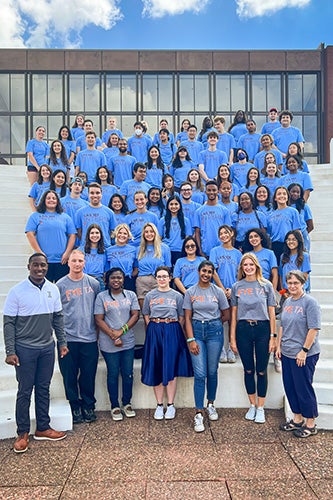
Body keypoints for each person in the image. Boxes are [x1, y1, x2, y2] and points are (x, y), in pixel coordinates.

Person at [3, 253, 68, 453]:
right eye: (36, 265)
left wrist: (62, 342)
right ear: (28, 266)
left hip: (47, 348)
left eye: (43, 265)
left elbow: (58, 318)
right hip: (25, 349)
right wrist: (10, 350)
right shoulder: (17, 291)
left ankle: (42, 427)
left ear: (47, 267)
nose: (39, 268)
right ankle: (22, 432)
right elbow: (9, 323)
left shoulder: (52, 289)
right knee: (25, 391)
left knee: (43, 388)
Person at [229, 253, 277, 424]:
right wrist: (232, 338)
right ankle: (252, 404)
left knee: (261, 370)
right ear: (241, 268)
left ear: (256, 266)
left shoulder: (266, 285)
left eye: (251, 265)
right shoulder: (236, 287)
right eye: (245, 265)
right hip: (243, 329)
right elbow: (233, 314)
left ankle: (261, 407)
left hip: (263, 328)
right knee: (248, 369)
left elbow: (272, 313)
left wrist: (273, 337)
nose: (248, 268)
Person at [141, 266, 193, 420]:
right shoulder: (150, 295)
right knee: (156, 366)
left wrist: (173, 327)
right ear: (156, 278)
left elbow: (181, 316)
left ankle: (170, 404)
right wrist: (152, 327)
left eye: (164, 276)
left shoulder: (177, 296)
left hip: (172, 329)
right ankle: (159, 405)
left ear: (170, 278)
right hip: (155, 330)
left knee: (170, 367)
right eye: (159, 276)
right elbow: (145, 314)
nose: (162, 279)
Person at [184, 260, 230, 432]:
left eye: (210, 272)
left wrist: (216, 325)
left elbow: (226, 313)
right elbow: (187, 318)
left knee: (212, 371)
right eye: (204, 271)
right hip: (196, 330)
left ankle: (210, 403)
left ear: (213, 274)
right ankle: (198, 412)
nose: (206, 274)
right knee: (200, 373)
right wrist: (191, 339)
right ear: (198, 271)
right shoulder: (190, 292)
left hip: (214, 331)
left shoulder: (217, 291)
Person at [56, 250, 100, 424]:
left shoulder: (94, 284)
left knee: (88, 375)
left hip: (89, 338)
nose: (77, 264)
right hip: (68, 339)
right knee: (69, 375)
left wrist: (96, 334)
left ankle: (88, 405)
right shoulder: (60, 285)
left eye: (80, 260)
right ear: (68, 263)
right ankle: (75, 406)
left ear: (84, 262)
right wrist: (60, 339)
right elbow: (56, 314)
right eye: (74, 260)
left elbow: (99, 311)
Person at [277, 270, 321, 438]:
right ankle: (297, 419)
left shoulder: (310, 302)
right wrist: (279, 346)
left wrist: (304, 351)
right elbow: (282, 325)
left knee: (303, 388)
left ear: (303, 283)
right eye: (290, 283)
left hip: (303, 354)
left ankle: (310, 423)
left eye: (296, 283)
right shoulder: (288, 301)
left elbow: (313, 328)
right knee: (290, 386)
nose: (293, 286)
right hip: (287, 352)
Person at [95, 268, 140, 421]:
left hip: (127, 341)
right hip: (108, 342)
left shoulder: (131, 295)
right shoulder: (101, 297)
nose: (116, 280)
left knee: (128, 374)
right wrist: (113, 335)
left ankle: (127, 403)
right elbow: (99, 319)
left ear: (123, 279)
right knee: (113, 373)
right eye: (113, 278)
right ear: (107, 280)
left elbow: (135, 315)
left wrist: (121, 331)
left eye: (119, 278)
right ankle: (114, 405)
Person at [25, 190, 76, 282]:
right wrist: (40, 253)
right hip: (43, 261)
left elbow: (72, 235)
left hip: (62, 260)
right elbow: (30, 234)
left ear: (57, 201)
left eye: (54, 198)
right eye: (48, 198)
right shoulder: (35, 216)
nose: (51, 200)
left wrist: (67, 253)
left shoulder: (65, 217)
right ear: (44, 200)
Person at [134, 223, 171, 309]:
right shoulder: (138, 249)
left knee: (159, 307)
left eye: (151, 231)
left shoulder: (164, 248)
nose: (149, 234)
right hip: (142, 281)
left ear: (155, 233)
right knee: (145, 310)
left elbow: (168, 267)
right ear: (143, 234)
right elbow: (136, 267)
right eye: (146, 232)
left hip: (158, 280)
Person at [194, 180, 231, 258]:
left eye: (214, 190)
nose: (211, 192)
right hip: (205, 250)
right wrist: (200, 250)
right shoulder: (199, 211)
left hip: (222, 249)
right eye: (209, 190)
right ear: (205, 192)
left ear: (218, 191)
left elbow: (228, 231)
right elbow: (197, 232)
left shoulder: (224, 210)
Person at [75, 182, 116, 247]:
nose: (95, 195)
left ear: (101, 194)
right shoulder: (80, 212)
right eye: (92, 193)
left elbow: (112, 232)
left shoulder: (109, 212)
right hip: (86, 249)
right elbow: (79, 232)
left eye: (97, 193)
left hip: (104, 248)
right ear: (88, 195)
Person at [267, 186, 301, 263]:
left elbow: (297, 230)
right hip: (275, 245)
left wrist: (300, 246)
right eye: (279, 194)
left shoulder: (293, 211)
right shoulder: (270, 216)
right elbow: (269, 234)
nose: (282, 196)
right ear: (275, 198)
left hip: (289, 244)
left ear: (287, 197)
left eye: (284, 194)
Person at [158, 195, 192, 265]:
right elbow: (159, 238)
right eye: (171, 204)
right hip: (167, 250)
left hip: (181, 250)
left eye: (176, 204)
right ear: (167, 206)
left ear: (180, 206)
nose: (174, 206)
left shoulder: (186, 220)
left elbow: (187, 238)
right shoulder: (162, 220)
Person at [107, 223, 136, 291]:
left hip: (128, 281)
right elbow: (106, 269)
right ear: (116, 234)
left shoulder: (133, 250)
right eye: (120, 233)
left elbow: (136, 268)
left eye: (125, 233)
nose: (122, 235)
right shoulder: (109, 250)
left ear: (128, 236)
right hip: (113, 280)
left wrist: (130, 277)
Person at [79, 223, 108, 290]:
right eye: (92, 233)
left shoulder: (105, 251)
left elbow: (106, 269)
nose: (94, 235)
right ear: (88, 235)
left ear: (101, 235)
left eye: (97, 233)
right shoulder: (81, 250)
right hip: (84, 280)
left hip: (99, 281)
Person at [288, 183, 313, 252]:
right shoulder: (286, 207)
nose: (295, 194)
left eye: (298, 192)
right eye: (293, 191)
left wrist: (301, 235)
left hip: (302, 235)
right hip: (289, 236)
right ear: (288, 192)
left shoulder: (304, 206)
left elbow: (310, 225)